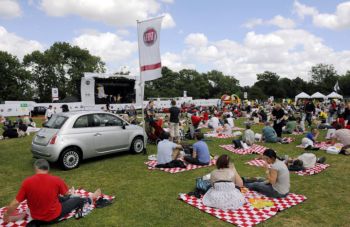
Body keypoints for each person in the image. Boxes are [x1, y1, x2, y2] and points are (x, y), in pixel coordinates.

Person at [3, 159, 101, 225]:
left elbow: (16, 202)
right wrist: (70, 193)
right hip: (53, 216)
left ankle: (20, 217)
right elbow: (67, 194)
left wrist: (7, 214)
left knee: (59, 198)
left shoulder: (27, 182)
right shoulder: (56, 180)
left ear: (36, 168)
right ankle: (90, 198)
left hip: (35, 215)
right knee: (77, 199)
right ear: (48, 169)